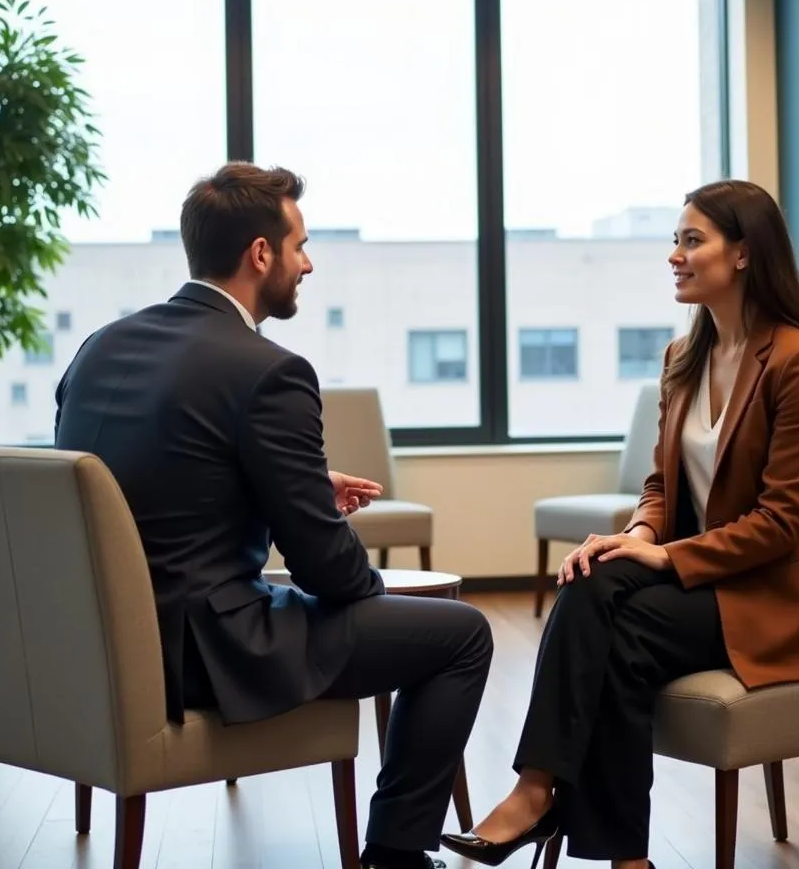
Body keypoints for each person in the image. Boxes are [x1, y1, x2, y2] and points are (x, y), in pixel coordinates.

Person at [55, 161, 493, 869]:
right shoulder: (270, 370)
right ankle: (396, 855)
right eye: (300, 246)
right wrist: (372, 589)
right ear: (261, 253)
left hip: (96, 643)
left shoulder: (101, 347)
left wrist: (298, 483)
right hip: (202, 650)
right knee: (460, 635)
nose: (308, 264)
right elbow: (328, 569)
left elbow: (143, 475)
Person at [440, 179, 799, 869]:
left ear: (745, 255)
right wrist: (640, 535)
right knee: (598, 580)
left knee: (616, 625)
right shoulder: (682, 358)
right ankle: (605, 844)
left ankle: (540, 797)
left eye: (692, 240)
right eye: (676, 238)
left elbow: (784, 522)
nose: (675, 254)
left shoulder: (797, 361)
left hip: (777, 596)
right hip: (712, 581)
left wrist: (666, 559)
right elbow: (662, 485)